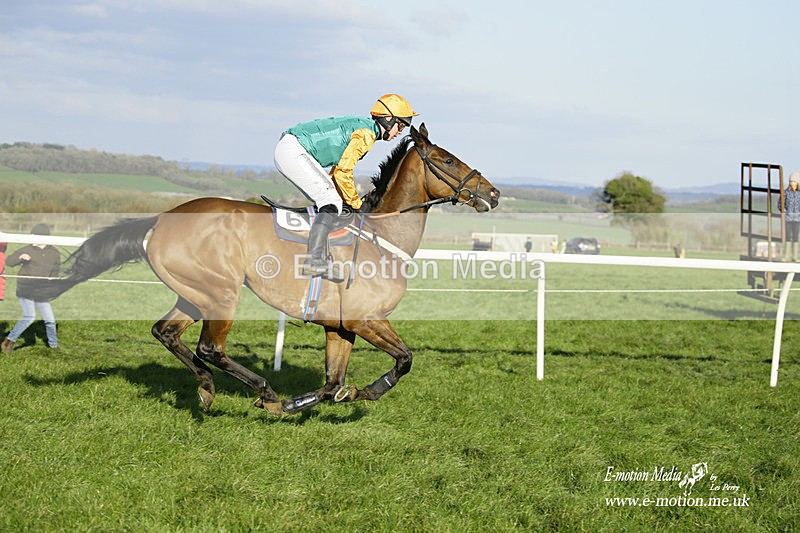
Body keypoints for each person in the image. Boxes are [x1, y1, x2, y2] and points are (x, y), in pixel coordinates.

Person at [274, 93, 418, 277]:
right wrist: (358, 204)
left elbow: (336, 173)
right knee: (330, 200)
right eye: (401, 125)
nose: (400, 132)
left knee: (333, 199)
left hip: (293, 148)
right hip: (293, 151)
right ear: (388, 119)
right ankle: (314, 260)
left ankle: (322, 257)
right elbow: (343, 171)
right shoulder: (366, 134)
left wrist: (349, 201)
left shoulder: (365, 128)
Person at [2, 224, 61, 353]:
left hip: (41, 292)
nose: (32, 238)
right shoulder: (26, 249)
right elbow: (9, 261)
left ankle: (54, 345)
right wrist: (19, 258)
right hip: (26, 289)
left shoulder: (54, 253)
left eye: (35, 236)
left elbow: (55, 271)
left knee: (50, 320)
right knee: (29, 316)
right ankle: (8, 342)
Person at [780, 172, 800, 261]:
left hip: (797, 219)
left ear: (798, 182)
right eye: (791, 181)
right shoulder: (786, 192)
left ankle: (795, 257)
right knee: (788, 236)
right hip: (788, 218)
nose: (792, 183)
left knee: (795, 237)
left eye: (794, 181)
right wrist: (783, 211)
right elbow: (780, 203)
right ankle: (787, 256)